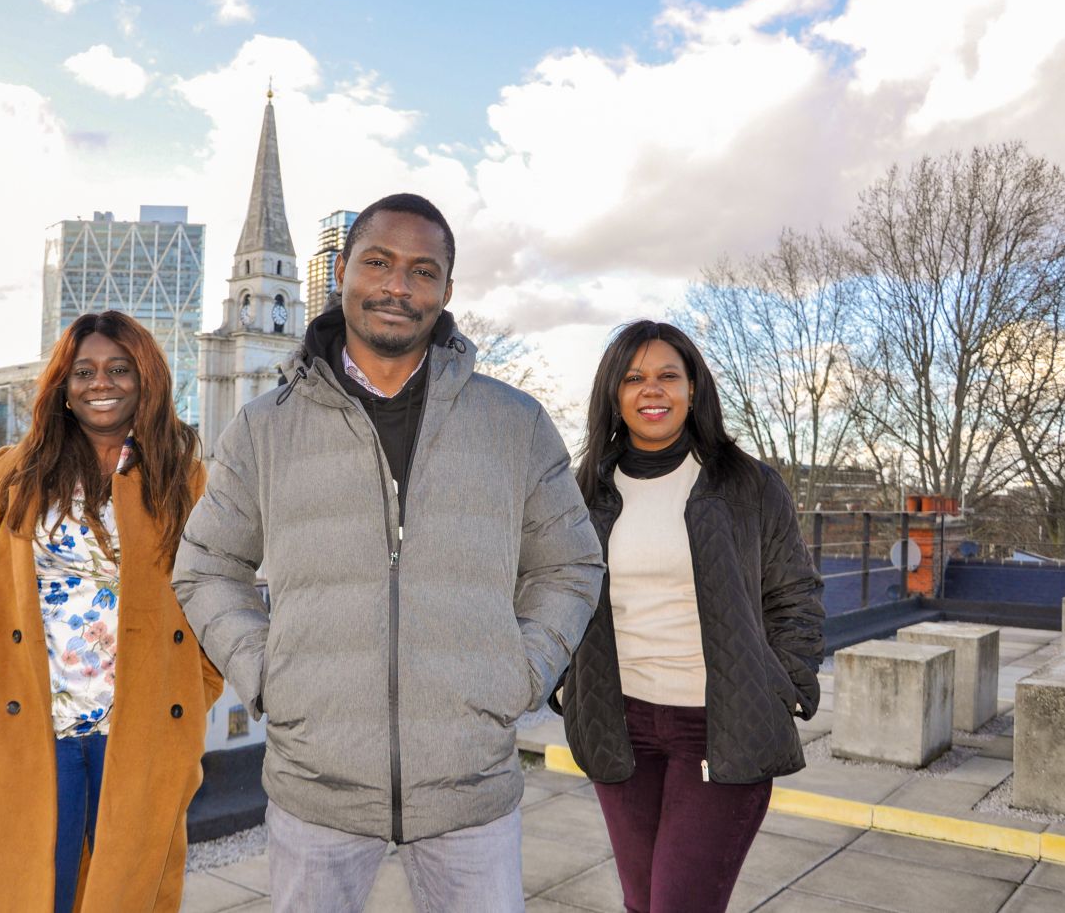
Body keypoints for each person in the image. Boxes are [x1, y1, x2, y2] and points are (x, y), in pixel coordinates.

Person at [174, 193, 604, 912]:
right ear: (341, 270)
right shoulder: (263, 429)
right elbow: (207, 566)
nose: (397, 287)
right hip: (318, 793)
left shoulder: (513, 424)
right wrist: (270, 674)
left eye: (422, 271)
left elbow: (571, 563)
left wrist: (520, 673)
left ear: (446, 291)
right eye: (378, 263)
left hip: (470, 794)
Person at [0, 310, 222, 913]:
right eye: (85, 371)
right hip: (37, 718)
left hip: (141, 721)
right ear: (64, 387)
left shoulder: (183, 478)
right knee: (37, 884)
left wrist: (200, 682)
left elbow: (223, 578)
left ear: (145, 380)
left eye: (119, 369)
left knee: (125, 887)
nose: (102, 383)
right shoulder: (17, 471)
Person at [555, 320, 824, 913]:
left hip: (720, 727)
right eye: (633, 378)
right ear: (613, 396)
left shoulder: (747, 484)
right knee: (641, 902)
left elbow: (795, 595)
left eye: (667, 376)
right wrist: (562, 683)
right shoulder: (583, 492)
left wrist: (787, 686)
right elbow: (554, 591)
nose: (652, 390)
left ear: (693, 389)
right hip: (618, 725)